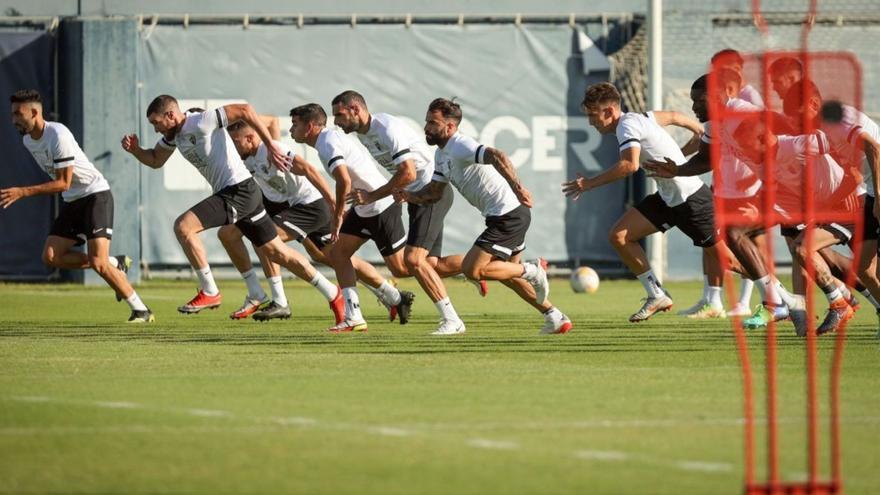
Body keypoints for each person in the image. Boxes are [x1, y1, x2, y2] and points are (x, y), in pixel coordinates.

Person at [121, 95, 341, 325]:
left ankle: (210, 290)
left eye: (157, 123)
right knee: (276, 252)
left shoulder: (200, 121)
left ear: (170, 115)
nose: (156, 130)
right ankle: (331, 293)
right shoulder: (172, 137)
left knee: (184, 226)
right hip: (244, 193)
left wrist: (270, 145)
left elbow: (246, 109)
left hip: (238, 191)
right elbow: (155, 160)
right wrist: (136, 150)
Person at [395, 98, 561, 335]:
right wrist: (408, 196)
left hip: (508, 214)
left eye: (433, 123)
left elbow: (497, 155)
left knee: (474, 270)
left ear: (450, 127)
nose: (426, 128)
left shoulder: (459, 145)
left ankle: (532, 269)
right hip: (502, 216)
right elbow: (433, 193)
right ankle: (554, 316)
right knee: (508, 276)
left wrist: (518, 187)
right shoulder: (441, 156)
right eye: (426, 122)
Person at [562, 82, 720, 323]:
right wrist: (699, 133)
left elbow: (629, 165)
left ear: (610, 111)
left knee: (730, 259)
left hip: (691, 198)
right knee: (619, 236)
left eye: (593, 116)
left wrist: (589, 184)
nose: (591, 123)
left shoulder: (627, 126)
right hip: (668, 198)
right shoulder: (640, 118)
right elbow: (676, 116)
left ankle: (777, 298)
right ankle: (656, 294)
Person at [2, 89, 153, 323]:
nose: (14, 120)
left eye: (18, 114)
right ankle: (116, 262)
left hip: (95, 196)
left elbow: (63, 182)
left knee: (98, 263)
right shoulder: (27, 140)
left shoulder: (57, 135)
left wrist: (22, 192)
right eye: (12, 114)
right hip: (73, 201)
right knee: (51, 257)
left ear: (34, 112)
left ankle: (141, 310)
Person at [331, 90, 470, 335]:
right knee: (423, 265)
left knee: (414, 260)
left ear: (356, 110)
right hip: (417, 195)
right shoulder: (364, 134)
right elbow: (404, 175)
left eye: (340, 115)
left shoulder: (386, 128)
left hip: (431, 192)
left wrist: (373, 196)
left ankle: (453, 320)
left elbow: (409, 173)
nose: (336, 122)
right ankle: (492, 266)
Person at [288, 103, 416, 332]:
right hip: (363, 207)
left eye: (295, 125)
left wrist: (337, 215)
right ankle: (354, 316)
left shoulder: (327, 142)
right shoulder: (327, 140)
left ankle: (463, 268)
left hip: (379, 207)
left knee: (404, 268)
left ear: (309, 127)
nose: (290, 130)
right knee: (338, 254)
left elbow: (344, 181)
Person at [218, 120, 345, 322]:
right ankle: (389, 293)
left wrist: (333, 203)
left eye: (235, 142)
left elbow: (309, 170)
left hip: (309, 205)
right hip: (284, 204)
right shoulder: (245, 157)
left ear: (250, 138)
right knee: (228, 233)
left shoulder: (274, 151)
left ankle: (329, 293)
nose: (232, 147)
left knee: (268, 241)